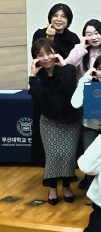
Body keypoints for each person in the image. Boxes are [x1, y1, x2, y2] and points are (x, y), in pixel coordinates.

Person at [28, 38, 79, 205]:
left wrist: (63, 67)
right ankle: (52, 188)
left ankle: (66, 186)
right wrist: (33, 75)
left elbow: (71, 92)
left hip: (71, 120)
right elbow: (37, 100)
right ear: (35, 58)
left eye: (49, 53)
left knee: (68, 155)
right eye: (40, 55)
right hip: (49, 121)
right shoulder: (38, 76)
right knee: (53, 156)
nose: (45, 58)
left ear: (55, 53)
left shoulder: (68, 69)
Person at [71, 54, 101, 191]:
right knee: (90, 157)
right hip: (90, 128)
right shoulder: (87, 84)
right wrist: (85, 79)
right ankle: (90, 186)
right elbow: (75, 104)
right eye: (99, 69)